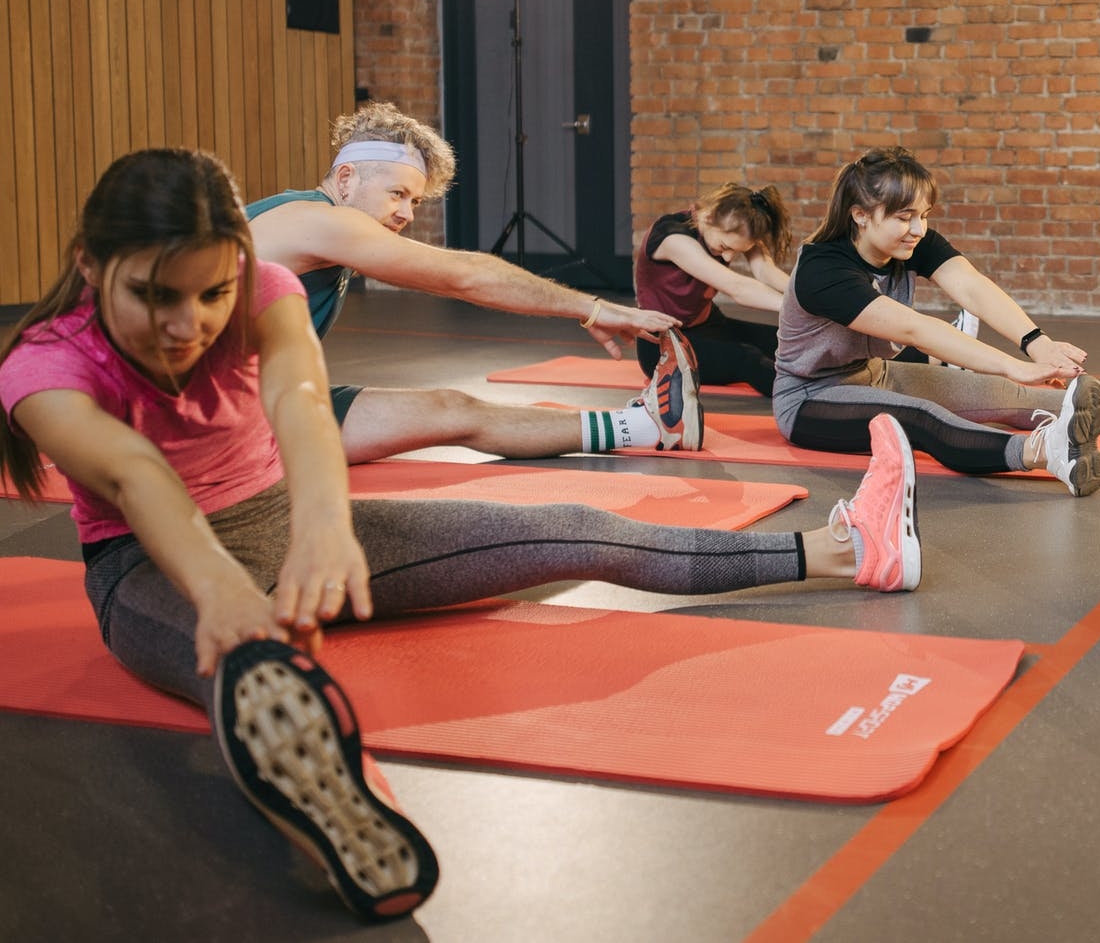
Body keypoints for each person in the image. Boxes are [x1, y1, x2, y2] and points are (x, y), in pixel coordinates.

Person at [0, 149, 923, 918]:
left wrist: (323, 525)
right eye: (156, 296)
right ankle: (342, 811)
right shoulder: (44, 365)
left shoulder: (265, 286)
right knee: (253, 669)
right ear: (89, 263)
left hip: (284, 515)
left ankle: (845, 548)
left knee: (575, 528)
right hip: (149, 567)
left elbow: (302, 403)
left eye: (209, 296)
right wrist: (220, 589)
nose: (187, 325)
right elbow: (136, 476)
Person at [246, 101, 702, 462]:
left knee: (453, 409)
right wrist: (595, 309)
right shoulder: (321, 222)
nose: (406, 213)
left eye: (416, 201)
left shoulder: (313, 222)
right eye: (396, 194)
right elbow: (463, 277)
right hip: (215, 425)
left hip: (260, 404)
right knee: (451, 413)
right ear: (345, 178)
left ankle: (643, 428)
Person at [774, 147, 1100, 498]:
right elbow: (917, 330)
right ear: (860, 215)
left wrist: (1037, 343)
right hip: (811, 400)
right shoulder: (823, 270)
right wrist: (1015, 365)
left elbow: (971, 286)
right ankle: (1044, 454)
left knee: (1004, 395)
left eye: (924, 215)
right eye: (904, 217)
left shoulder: (905, 242)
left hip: (872, 374)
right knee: (919, 418)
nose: (918, 229)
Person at [634, 182, 794, 395]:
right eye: (725, 247)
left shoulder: (735, 229)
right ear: (708, 216)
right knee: (746, 359)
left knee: (783, 339)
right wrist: (797, 308)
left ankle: (839, 377)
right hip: (661, 345)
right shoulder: (672, 237)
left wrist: (809, 298)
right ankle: (808, 397)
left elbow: (766, 271)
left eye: (736, 252)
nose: (728, 257)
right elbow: (737, 287)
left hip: (708, 325)